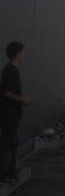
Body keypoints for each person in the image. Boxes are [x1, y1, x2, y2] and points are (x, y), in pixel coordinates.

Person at [1, 41, 32, 184]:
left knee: (13, 142)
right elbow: (6, 92)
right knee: (8, 143)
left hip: (12, 113)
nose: (24, 54)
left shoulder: (11, 69)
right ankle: (5, 174)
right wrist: (22, 100)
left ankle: (11, 171)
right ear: (18, 54)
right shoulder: (11, 70)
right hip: (9, 113)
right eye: (23, 52)